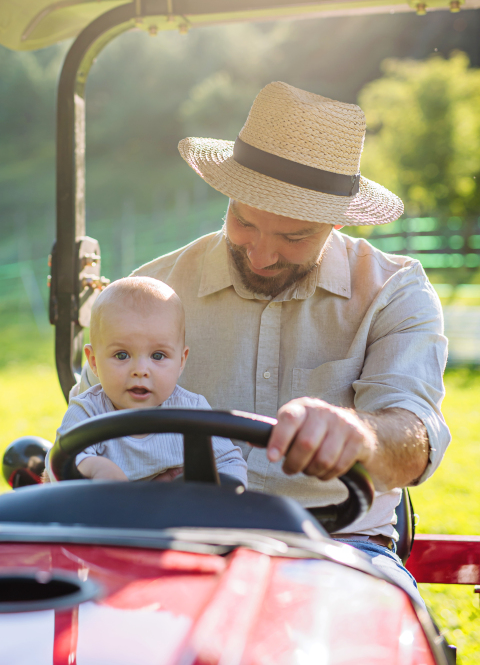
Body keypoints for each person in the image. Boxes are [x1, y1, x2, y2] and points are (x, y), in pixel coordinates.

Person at [79, 80, 449, 601]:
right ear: (227, 194)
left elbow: (414, 433)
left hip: (338, 542)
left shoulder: (393, 291)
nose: (261, 255)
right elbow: (87, 421)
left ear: (337, 219)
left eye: (294, 237)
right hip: (170, 538)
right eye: (244, 221)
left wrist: (359, 437)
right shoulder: (154, 292)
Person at [47, 275, 247, 486]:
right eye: (122, 355)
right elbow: (60, 463)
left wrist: (223, 491)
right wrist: (94, 466)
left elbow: (229, 461)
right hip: (106, 514)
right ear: (94, 362)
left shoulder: (192, 412)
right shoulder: (88, 411)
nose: (140, 371)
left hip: (175, 514)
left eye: (158, 356)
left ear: (181, 361)